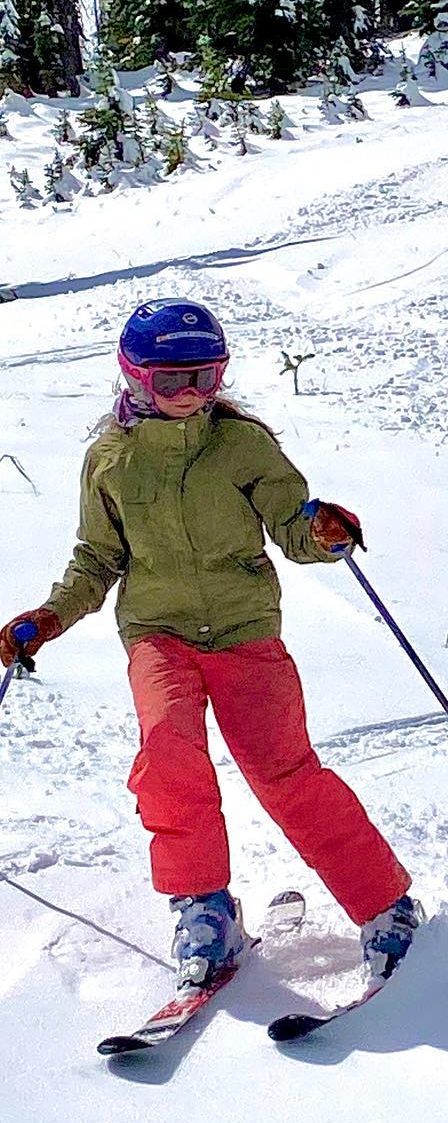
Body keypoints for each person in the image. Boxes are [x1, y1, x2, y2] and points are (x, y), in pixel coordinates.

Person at [0, 299, 422, 991]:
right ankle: (206, 910)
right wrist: (49, 618)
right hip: (158, 634)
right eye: (172, 382)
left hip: (243, 629)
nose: (192, 394)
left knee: (283, 769)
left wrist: (319, 534)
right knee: (168, 758)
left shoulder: (242, 446)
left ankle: (387, 906)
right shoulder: (111, 459)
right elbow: (98, 558)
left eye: (206, 376)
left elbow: (291, 521)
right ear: (135, 378)